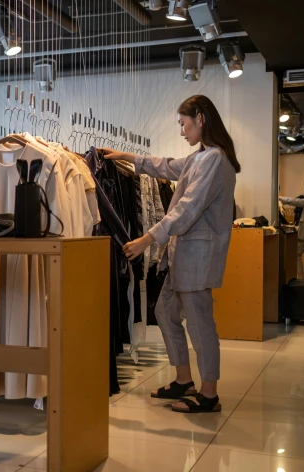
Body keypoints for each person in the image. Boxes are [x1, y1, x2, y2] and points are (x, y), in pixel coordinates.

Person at [101, 95, 239, 414]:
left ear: (200, 118)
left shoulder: (215, 159)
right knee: (164, 312)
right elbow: (165, 166)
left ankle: (208, 395)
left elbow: (188, 208)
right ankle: (183, 380)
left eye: (183, 123)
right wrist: (127, 157)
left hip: (197, 257)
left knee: (200, 324)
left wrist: (147, 239)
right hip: (183, 256)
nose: (181, 131)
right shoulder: (200, 158)